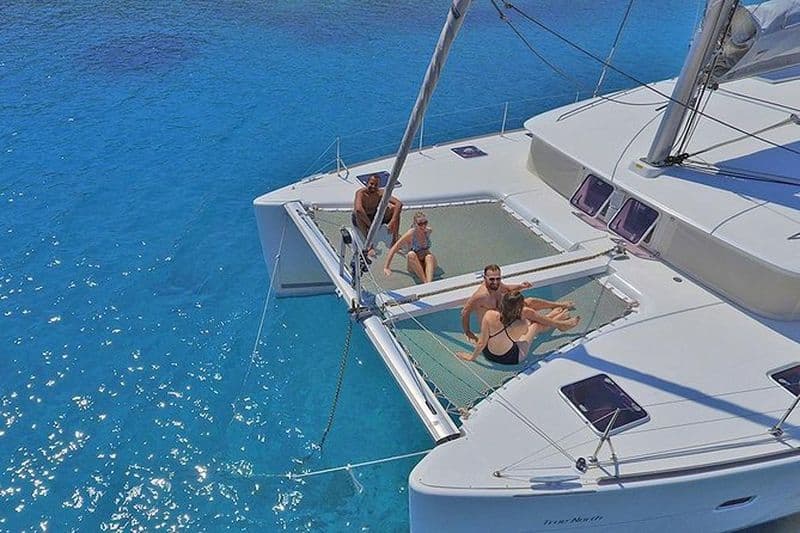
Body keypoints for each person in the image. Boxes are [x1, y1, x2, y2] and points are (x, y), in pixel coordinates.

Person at [461, 264, 576, 344]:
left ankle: (558, 305)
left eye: (498, 278)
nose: (495, 282)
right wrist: (468, 331)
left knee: (529, 301)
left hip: (505, 316)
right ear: (484, 278)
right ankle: (558, 323)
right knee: (529, 317)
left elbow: (507, 289)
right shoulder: (480, 296)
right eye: (491, 279)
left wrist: (521, 286)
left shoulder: (497, 285)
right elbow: (465, 312)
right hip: (495, 328)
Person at [457, 292, 577, 365]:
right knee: (536, 326)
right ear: (519, 307)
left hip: (489, 353)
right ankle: (560, 322)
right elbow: (527, 329)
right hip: (511, 357)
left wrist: (472, 357)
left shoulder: (489, 315)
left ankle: (556, 317)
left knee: (530, 307)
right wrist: (528, 315)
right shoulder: (521, 322)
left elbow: (482, 342)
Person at [383, 211, 437, 284]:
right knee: (411, 254)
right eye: (420, 224)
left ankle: (429, 283)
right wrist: (386, 267)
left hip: (426, 263)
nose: (423, 226)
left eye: (425, 222)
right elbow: (394, 249)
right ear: (415, 224)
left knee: (429, 257)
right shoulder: (411, 233)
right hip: (415, 264)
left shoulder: (428, 231)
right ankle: (426, 283)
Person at [352, 174, 403, 249]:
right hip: (363, 218)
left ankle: (395, 239)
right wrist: (370, 225)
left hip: (373, 215)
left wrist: (393, 220)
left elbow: (399, 204)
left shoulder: (380, 192)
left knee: (394, 209)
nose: (373, 186)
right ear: (367, 183)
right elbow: (358, 209)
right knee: (358, 215)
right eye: (371, 184)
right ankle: (368, 243)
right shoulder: (361, 193)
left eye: (376, 185)